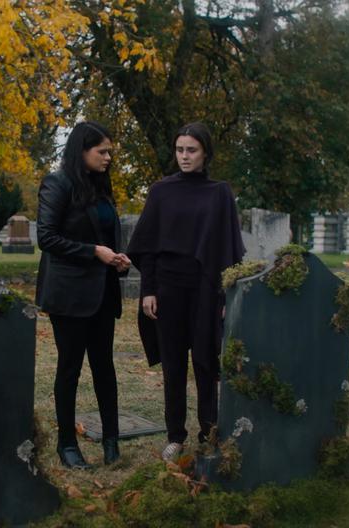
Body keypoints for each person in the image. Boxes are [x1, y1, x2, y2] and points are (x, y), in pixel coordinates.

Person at [126, 122, 245, 462]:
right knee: (174, 366)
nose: (184, 156)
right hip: (168, 288)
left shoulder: (219, 193)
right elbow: (147, 247)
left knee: (206, 362)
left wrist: (225, 298)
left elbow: (229, 250)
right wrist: (148, 290)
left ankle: (209, 432)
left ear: (205, 152)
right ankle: (175, 435)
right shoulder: (161, 191)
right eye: (180, 150)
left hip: (205, 289)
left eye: (191, 150)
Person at [35, 121, 131, 469]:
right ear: (82, 151)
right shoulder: (57, 184)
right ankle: (66, 445)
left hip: (103, 292)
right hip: (69, 294)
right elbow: (46, 238)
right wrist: (95, 252)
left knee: (104, 367)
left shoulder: (101, 187)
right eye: (101, 151)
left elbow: (107, 233)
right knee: (70, 368)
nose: (108, 157)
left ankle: (111, 441)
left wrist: (117, 258)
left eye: (109, 151)